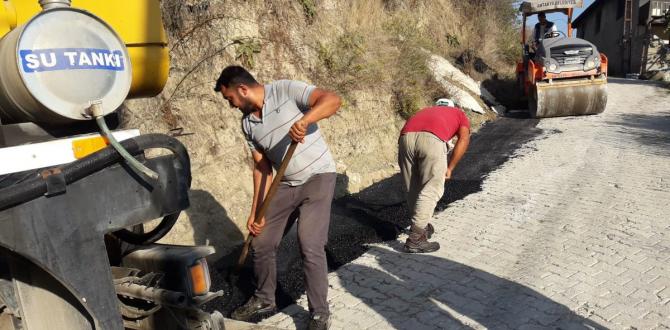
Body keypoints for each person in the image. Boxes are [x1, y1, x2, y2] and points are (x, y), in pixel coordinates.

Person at [214, 66, 341, 329]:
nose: (231, 105)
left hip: (318, 175)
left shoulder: (285, 90)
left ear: (242, 89)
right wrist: (255, 212)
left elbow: (332, 100)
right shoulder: (247, 124)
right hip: (285, 183)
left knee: (309, 243)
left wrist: (305, 121)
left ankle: (319, 312)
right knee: (261, 241)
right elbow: (262, 169)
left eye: (230, 99)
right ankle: (264, 298)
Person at [398, 100, 470, 253]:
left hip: (405, 139)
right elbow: (463, 139)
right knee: (432, 187)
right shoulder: (458, 113)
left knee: (412, 187)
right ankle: (416, 239)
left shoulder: (426, 110)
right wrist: (450, 167)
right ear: (453, 106)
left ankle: (421, 226)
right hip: (432, 140)